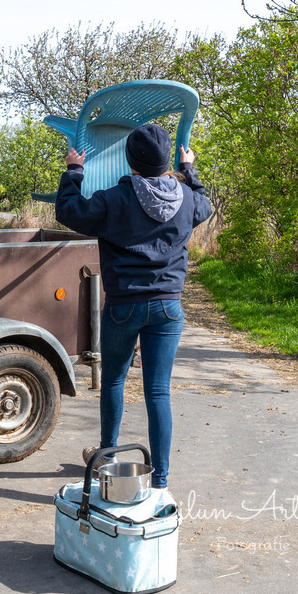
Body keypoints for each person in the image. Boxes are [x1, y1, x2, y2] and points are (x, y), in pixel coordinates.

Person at [54, 123, 212, 491]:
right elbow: (204, 206)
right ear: (166, 158)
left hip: (124, 305)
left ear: (130, 161)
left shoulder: (115, 199)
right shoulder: (187, 199)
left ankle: (107, 456)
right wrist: (189, 170)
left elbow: (69, 212)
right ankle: (160, 481)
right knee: (158, 392)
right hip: (168, 308)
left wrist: (74, 171)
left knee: (113, 380)